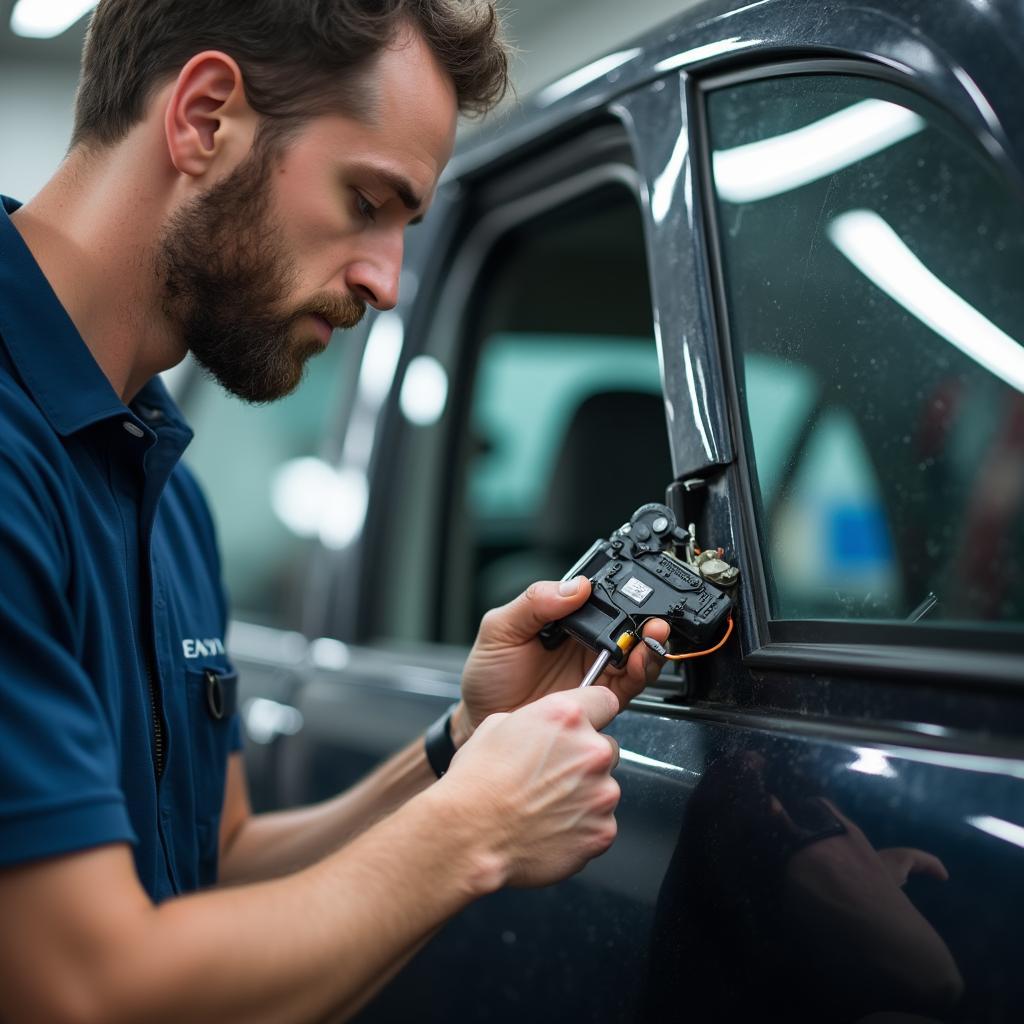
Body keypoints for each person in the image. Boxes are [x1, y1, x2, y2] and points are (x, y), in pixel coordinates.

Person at [0, 1, 669, 1021]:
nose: (386, 283)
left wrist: (461, 745)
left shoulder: (161, 488)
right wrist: (472, 832)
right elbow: (85, 988)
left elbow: (214, 871)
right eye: (366, 201)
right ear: (206, 117)